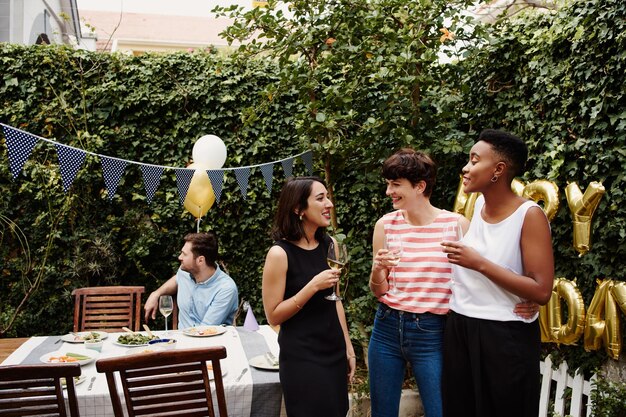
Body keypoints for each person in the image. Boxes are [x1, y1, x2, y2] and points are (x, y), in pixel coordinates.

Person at [441, 129, 554, 417]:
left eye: (474, 160)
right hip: (461, 326)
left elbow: (541, 290)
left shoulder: (529, 215)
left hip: (503, 335)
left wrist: (477, 262)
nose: (466, 168)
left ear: (498, 170)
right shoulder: (478, 206)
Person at [368, 149, 469, 417]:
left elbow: (473, 282)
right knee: (382, 412)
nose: (389, 191)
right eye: (388, 184)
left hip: (432, 333)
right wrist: (378, 270)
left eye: (396, 184)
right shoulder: (385, 225)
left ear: (420, 186)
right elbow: (380, 290)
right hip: (387, 327)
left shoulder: (456, 226)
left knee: (440, 410)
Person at [262, 176, 356, 417]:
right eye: (320, 198)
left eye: (328, 197)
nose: (330, 204)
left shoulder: (330, 245)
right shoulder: (279, 254)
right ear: (298, 208)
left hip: (333, 351)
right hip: (302, 357)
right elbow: (273, 315)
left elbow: (335, 302)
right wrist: (311, 286)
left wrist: (347, 347)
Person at [144, 232, 239, 328]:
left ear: (200, 260)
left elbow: (205, 330)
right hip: (181, 340)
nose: (179, 257)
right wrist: (156, 294)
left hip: (209, 341)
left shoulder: (225, 289)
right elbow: (177, 279)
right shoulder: (184, 272)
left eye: (184, 254)